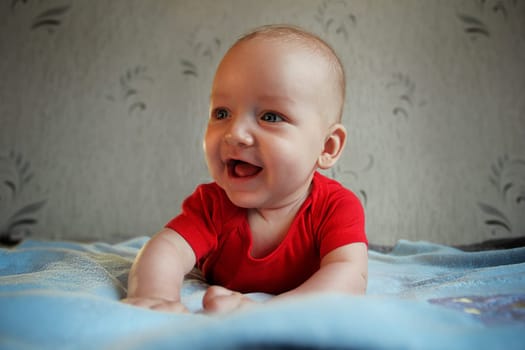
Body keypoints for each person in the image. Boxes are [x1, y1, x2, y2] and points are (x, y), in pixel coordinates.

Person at [123, 24, 368, 314]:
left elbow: (349, 275)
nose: (235, 133)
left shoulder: (335, 207)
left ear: (326, 147)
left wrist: (270, 313)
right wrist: (155, 296)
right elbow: (166, 250)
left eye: (271, 116)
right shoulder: (212, 206)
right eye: (222, 113)